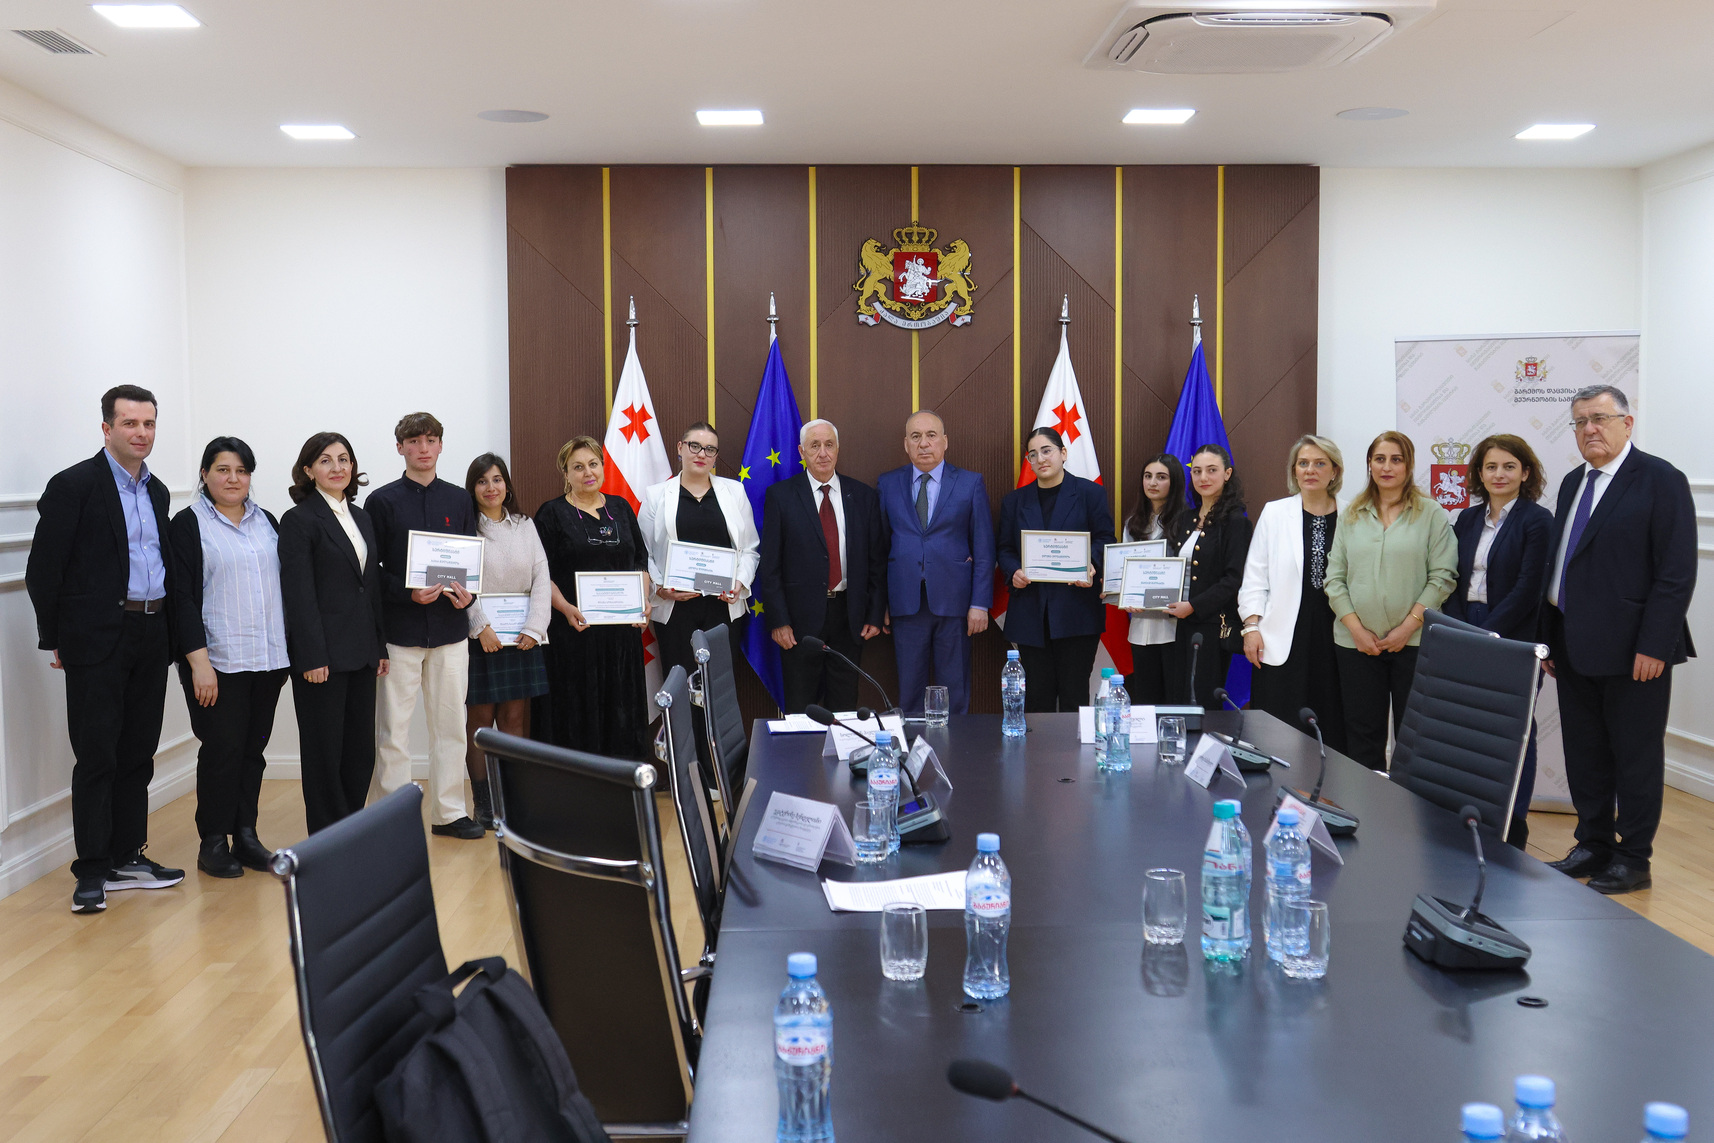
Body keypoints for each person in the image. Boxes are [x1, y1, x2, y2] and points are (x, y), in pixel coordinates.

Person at [27, 385, 185, 914]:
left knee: (138, 752)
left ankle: (126, 855)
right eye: (130, 423)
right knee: (98, 755)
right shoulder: (74, 485)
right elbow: (43, 570)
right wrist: (56, 637)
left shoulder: (156, 491)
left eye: (149, 424)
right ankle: (93, 869)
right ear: (107, 428)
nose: (141, 433)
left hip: (152, 632)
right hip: (97, 639)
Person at [1541, 385, 1697, 894]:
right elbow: (1561, 564)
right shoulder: (1573, 482)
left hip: (1636, 652)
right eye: (1580, 421)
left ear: (1627, 424)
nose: (1589, 429)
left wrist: (1655, 644)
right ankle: (1593, 844)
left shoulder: (1660, 480)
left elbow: (1676, 573)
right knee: (1584, 754)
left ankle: (1633, 859)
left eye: (1600, 418)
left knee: (1635, 759)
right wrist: (1548, 637)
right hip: (1572, 645)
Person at [168, 436, 291, 877]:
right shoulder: (188, 524)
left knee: (253, 751)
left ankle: (246, 836)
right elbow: (180, 598)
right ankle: (214, 842)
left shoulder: (267, 521)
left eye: (241, 471)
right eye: (223, 469)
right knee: (222, 750)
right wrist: (198, 662)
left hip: (267, 658)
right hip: (217, 661)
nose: (233, 479)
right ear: (205, 474)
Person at [365, 412, 483, 839]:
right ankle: (393, 819)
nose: (423, 448)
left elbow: (470, 559)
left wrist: (469, 595)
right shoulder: (381, 501)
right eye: (414, 441)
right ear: (400, 447)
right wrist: (407, 593)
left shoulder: (459, 499)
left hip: (450, 632)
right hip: (401, 633)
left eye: (431, 440)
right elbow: (371, 572)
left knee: (450, 727)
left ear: (440, 446)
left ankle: (449, 813)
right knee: (393, 730)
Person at [1442, 433, 1555, 848]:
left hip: (1513, 633)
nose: (1499, 474)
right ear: (1479, 473)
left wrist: (1488, 632)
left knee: (1515, 730)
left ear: (1525, 473)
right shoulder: (1467, 519)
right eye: (1491, 466)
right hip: (1467, 626)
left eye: (1509, 466)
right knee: (1471, 728)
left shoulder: (1537, 520)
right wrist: (1462, 628)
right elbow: (1453, 577)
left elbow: (1529, 588)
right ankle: (1476, 818)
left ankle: (1514, 824)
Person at [1323, 430, 1457, 771]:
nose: (1387, 467)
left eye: (1396, 460)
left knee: (1414, 738)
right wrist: (1356, 629)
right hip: (1356, 644)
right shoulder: (1351, 514)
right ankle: (1366, 803)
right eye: (1379, 459)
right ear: (1369, 464)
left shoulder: (1430, 513)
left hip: (1414, 642)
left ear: (1408, 466)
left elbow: (1442, 577)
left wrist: (1408, 627)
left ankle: (1408, 806)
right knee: (1363, 736)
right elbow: (1334, 578)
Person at [278, 432, 389, 834]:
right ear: (309, 470)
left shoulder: (361, 517)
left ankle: (350, 832)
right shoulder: (299, 520)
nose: (337, 467)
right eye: (326, 461)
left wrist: (379, 646)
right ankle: (327, 840)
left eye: (344, 459)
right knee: (325, 755)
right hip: (321, 658)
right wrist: (311, 656)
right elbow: (299, 594)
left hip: (362, 653)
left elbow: (369, 587)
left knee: (359, 753)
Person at [534, 437, 653, 759]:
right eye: (578, 467)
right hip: (574, 632)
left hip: (621, 637)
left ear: (602, 466)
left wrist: (642, 601)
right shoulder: (551, 513)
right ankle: (578, 782)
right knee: (577, 710)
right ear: (566, 473)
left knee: (621, 709)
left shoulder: (621, 508)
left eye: (593, 464)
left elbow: (640, 561)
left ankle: (623, 780)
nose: (588, 472)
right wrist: (565, 608)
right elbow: (540, 572)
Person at [758, 419, 887, 713]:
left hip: (850, 617)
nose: (823, 453)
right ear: (801, 451)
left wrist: (874, 613)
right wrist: (779, 620)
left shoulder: (863, 496)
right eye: (814, 446)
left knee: (844, 708)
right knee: (800, 708)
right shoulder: (781, 496)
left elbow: (876, 562)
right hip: (799, 621)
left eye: (829, 445)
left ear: (838, 448)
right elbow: (770, 565)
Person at [877, 410, 995, 716]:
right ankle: (912, 746)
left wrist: (980, 603)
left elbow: (984, 549)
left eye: (931, 435)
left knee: (954, 691)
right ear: (906, 444)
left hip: (956, 605)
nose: (924, 443)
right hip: (905, 604)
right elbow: (879, 549)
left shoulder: (970, 483)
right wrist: (881, 603)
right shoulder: (888, 484)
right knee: (909, 693)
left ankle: (954, 746)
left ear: (945, 441)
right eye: (915, 436)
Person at [1238, 435, 1348, 752]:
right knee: (1279, 728)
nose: (1310, 470)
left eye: (1320, 463)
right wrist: (1251, 627)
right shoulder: (1275, 513)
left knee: (1332, 725)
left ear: (1335, 471)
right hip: (1281, 635)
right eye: (1303, 463)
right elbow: (1255, 576)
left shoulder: (1354, 513)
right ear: (1294, 471)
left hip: (1337, 634)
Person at [462, 453, 552, 830]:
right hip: (481, 639)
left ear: (507, 485)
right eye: (482, 481)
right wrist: (480, 625)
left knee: (515, 720)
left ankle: (513, 799)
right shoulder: (466, 529)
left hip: (521, 639)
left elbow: (541, 577)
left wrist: (534, 627)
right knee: (481, 722)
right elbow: (459, 582)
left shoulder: (525, 525)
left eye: (497, 479)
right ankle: (484, 803)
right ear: (473, 488)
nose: (491, 487)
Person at [996, 427, 1115, 712]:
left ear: (1063, 453)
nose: (1040, 459)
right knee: (1037, 699)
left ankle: (1076, 746)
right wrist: (1014, 571)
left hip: (1077, 612)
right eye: (1033, 454)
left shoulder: (1090, 493)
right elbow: (1005, 548)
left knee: (1075, 696)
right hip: (1031, 612)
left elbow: (1105, 538)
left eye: (1046, 451)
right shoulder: (1014, 501)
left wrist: (1091, 565)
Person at [638, 421, 762, 678]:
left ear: (716, 457)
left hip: (723, 606)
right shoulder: (656, 495)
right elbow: (643, 552)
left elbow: (750, 548)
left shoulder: (734, 491)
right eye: (694, 446)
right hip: (675, 609)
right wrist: (660, 588)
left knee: (719, 686)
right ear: (680, 448)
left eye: (709, 449)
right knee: (679, 685)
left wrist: (739, 583)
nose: (701, 454)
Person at [1164, 444, 1252, 707]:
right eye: (1197, 471)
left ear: (1227, 473)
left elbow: (1233, 579)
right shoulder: (1185, 518)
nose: (1203, 477)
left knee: (1202, 699)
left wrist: (1193, 606)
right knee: (1177, 697)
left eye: (1212, 470)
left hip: (1211, 626)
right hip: (1178, 624)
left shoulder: (1236, 522)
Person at [1119, 453, 1188, 704]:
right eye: (1148, 476)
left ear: (1175, 482)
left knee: (1174, 701)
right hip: (1140, 626)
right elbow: (1124, 572)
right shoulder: (1132, 524)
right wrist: (1119, 592)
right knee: (1146, 702)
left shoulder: (1187, 523)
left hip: (1173, 627)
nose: (1153, 483)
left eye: (1161, 477)